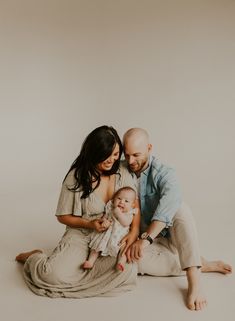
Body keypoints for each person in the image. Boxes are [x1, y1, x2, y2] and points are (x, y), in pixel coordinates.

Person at [15, 125, 140, 298]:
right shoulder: (76, 176)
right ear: (95, 152)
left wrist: (133, 233)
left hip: (113, 237)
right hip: (82, 234)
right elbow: (62, 216)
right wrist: (89, 224)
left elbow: (135, 207)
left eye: (116, 154)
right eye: (106, 155)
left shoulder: (122, 172)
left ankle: (80, 274)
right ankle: (34, 257)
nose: (112, 160)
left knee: (129, 269)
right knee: (51, 275)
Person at [122, 128, 232, 311]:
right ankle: (199, 264)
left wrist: (145, 240)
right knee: (132, 262)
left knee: (181, 208)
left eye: (136, 155)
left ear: (149, 148)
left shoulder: (165, 173)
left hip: (170, 238)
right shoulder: (122, 169)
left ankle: (194, 282)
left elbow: (169, 206)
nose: (131, 161)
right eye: (127, 155)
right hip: (143, 243)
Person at [83, 186, 138, 271]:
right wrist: (105, 222)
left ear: (132, 205)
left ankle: (121, 262)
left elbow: (126, 223)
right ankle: (90, 261)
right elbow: (105, 216)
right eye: (119, 198)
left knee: (124, 249)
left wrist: (119, 213)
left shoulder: (130, 212)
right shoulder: (110, 207)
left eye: (126, 201)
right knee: (96, 245)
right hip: (106, 233)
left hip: (121, 235)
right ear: (114, 199)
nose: (121, 202)